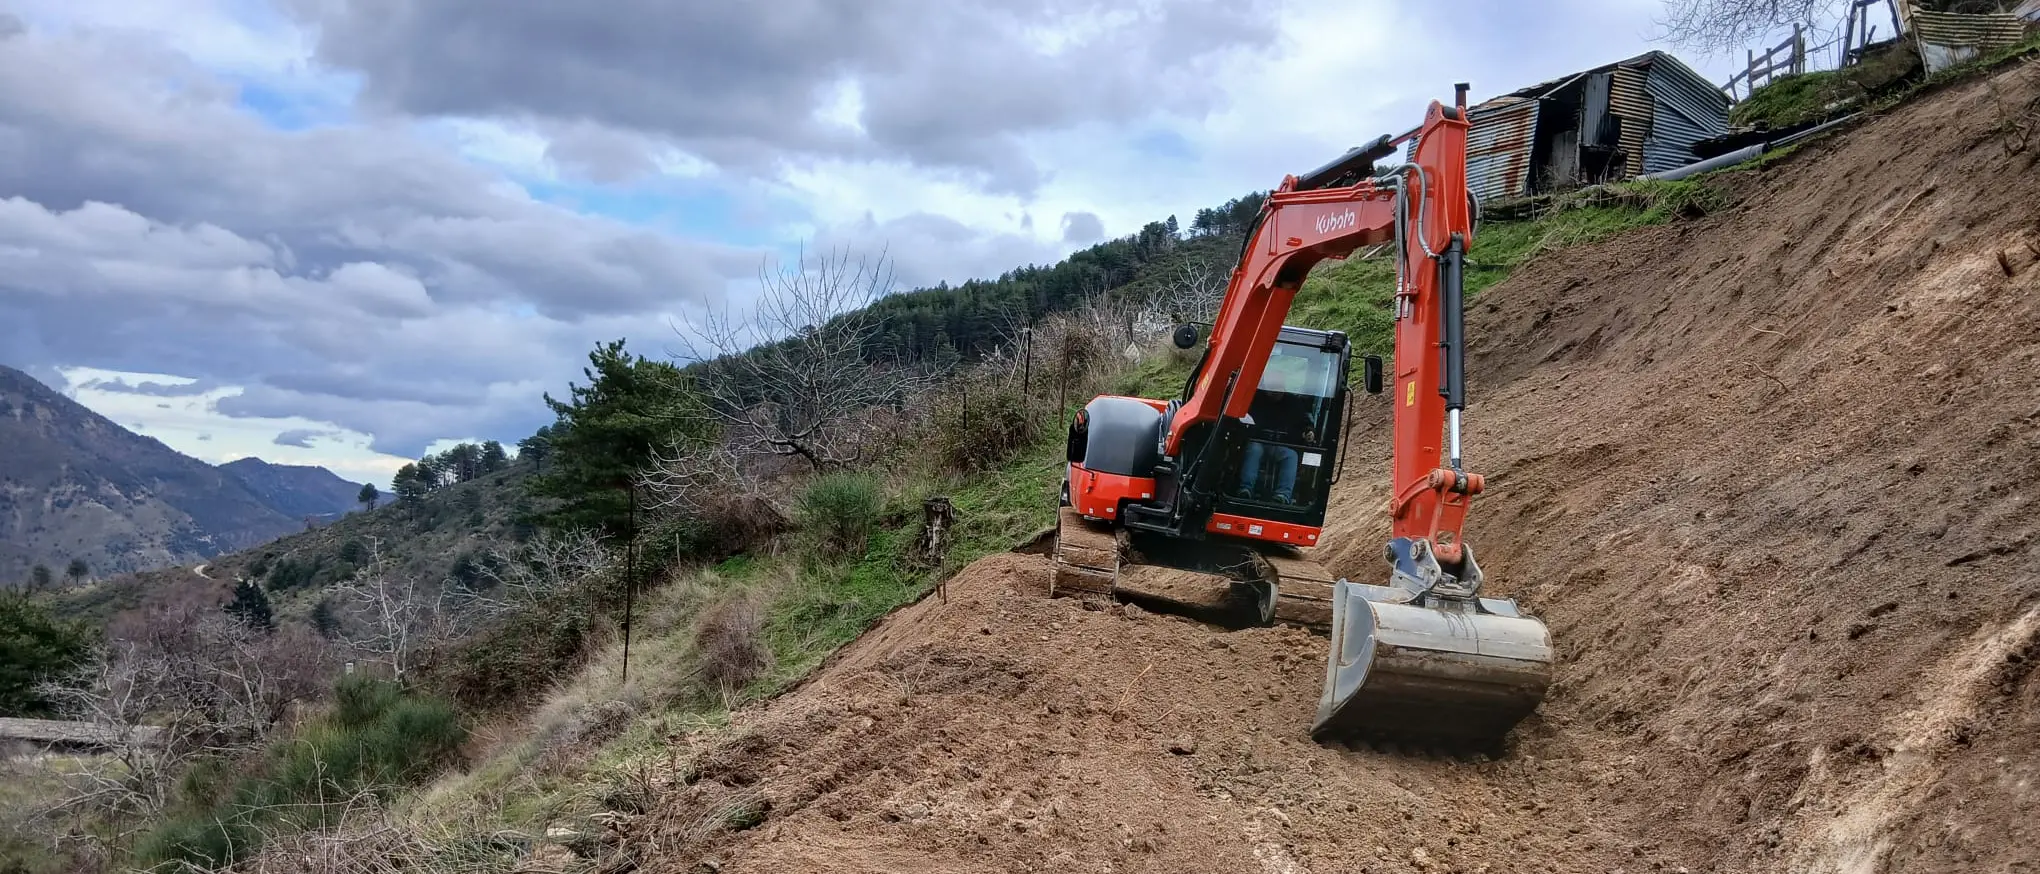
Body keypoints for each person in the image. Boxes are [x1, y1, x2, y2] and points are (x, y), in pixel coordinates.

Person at [1233, 362, 1317, 503]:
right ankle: (1245, 489)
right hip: (1258, 442)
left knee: (1291, 456)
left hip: (1281, 445)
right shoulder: (1255, 400)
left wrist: (1309, 431)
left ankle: (1283, 495)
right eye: (1271, 387)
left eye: (1278, 387)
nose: (1275, 391)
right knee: (1254, 449)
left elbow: (1305, 422)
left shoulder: (1293, 403)